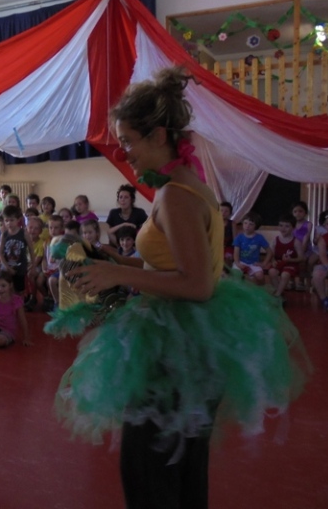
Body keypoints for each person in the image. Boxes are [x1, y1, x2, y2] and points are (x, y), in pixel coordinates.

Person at [46, 68, 309, 509]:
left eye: (128, 140)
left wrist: (119, 277)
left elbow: (198, 283)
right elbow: (170, 263)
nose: (124, 152)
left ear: (159, 135)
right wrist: (114, 260)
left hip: (176, 343)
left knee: (148, 468)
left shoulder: (176, 197)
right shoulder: (186, 186)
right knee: (181, 461)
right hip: (194, 340)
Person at [0, 205, 34, 298]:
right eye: (6, 220)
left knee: (19, 289)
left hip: (20, 266)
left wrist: (32, 264)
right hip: (7, 266)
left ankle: (19, 307)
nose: (9, 223)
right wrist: (7, 267)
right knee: (8, 288)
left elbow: (31, 248)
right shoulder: (4, 235)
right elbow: (0, 253)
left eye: (12, 220)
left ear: (18, 219)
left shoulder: (23, 233)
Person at [268, 213, 305, 298]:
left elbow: (301, 258)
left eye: (287, 226)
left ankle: (277, 295)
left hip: (291, 264)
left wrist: (290, 260)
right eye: (281, 225)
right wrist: (273, 261)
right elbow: (271, 254)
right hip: (279, 262)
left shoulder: (296, 241)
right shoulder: (275, 239)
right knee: (272, 272)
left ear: (293, 228)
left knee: (285, 274)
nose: (283, 228)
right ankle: (279, 292)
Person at [233, 211, 272, 285]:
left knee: (260, 276)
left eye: (251, 224)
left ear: (256, 226)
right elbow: (236, 253)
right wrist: (238, 263)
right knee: (236, 274)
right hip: (241, 261)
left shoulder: (259, 238)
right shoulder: (239, 237)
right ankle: (238, 290)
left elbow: (269, 252)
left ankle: (261, 290)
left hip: (254, 263)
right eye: (245, 223)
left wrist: (264, 263)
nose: (247, 226)